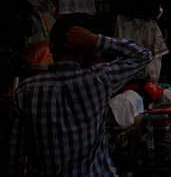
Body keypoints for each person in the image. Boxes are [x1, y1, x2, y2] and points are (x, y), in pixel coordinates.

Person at [10, 21, 153, 176]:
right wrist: (95, 40)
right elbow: (143, 55)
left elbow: (15, 155)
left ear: (51, 47)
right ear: (87, 50)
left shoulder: (27, 90)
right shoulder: (98, 80)